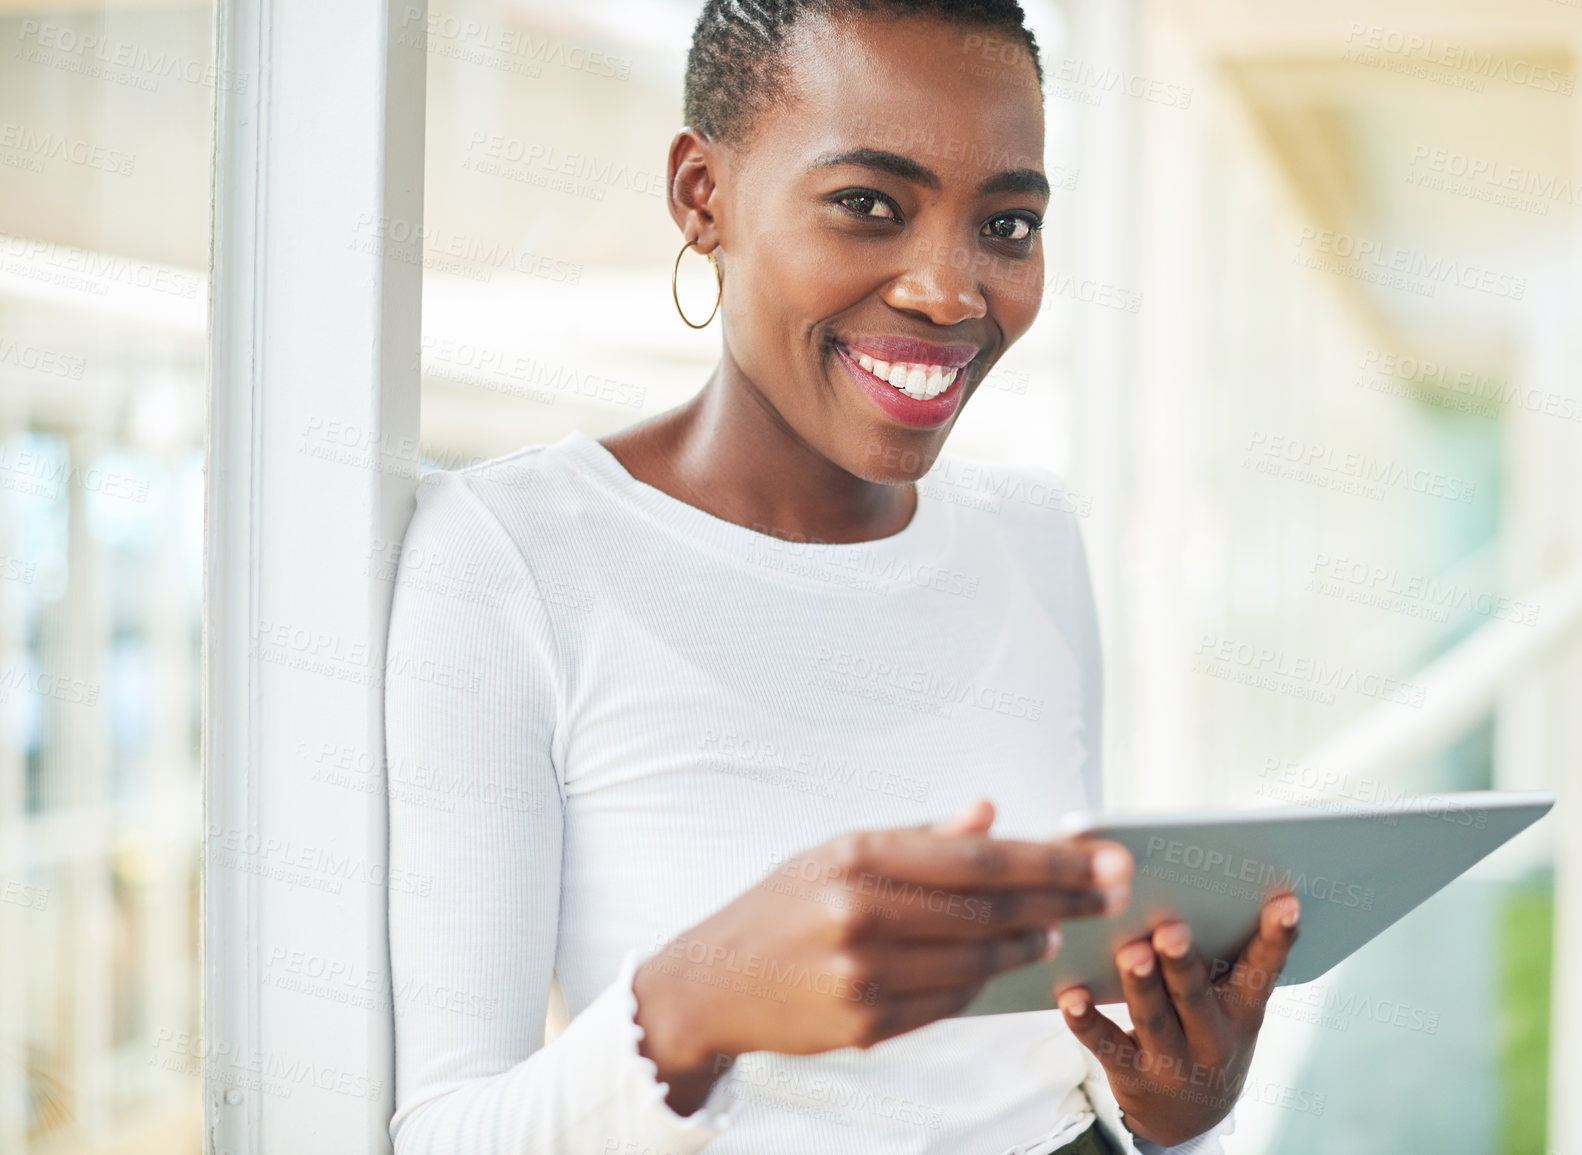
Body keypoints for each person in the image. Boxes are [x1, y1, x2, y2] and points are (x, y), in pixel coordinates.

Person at [384, 2, 1299, 1152]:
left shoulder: (1031, 538)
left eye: (1008, 224)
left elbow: (1048, 1055)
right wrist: (697, 998)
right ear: (700, 195)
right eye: (869, 206)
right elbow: (449, 1134)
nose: (950, 291)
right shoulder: (513, 558)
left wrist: (1171, 1108)